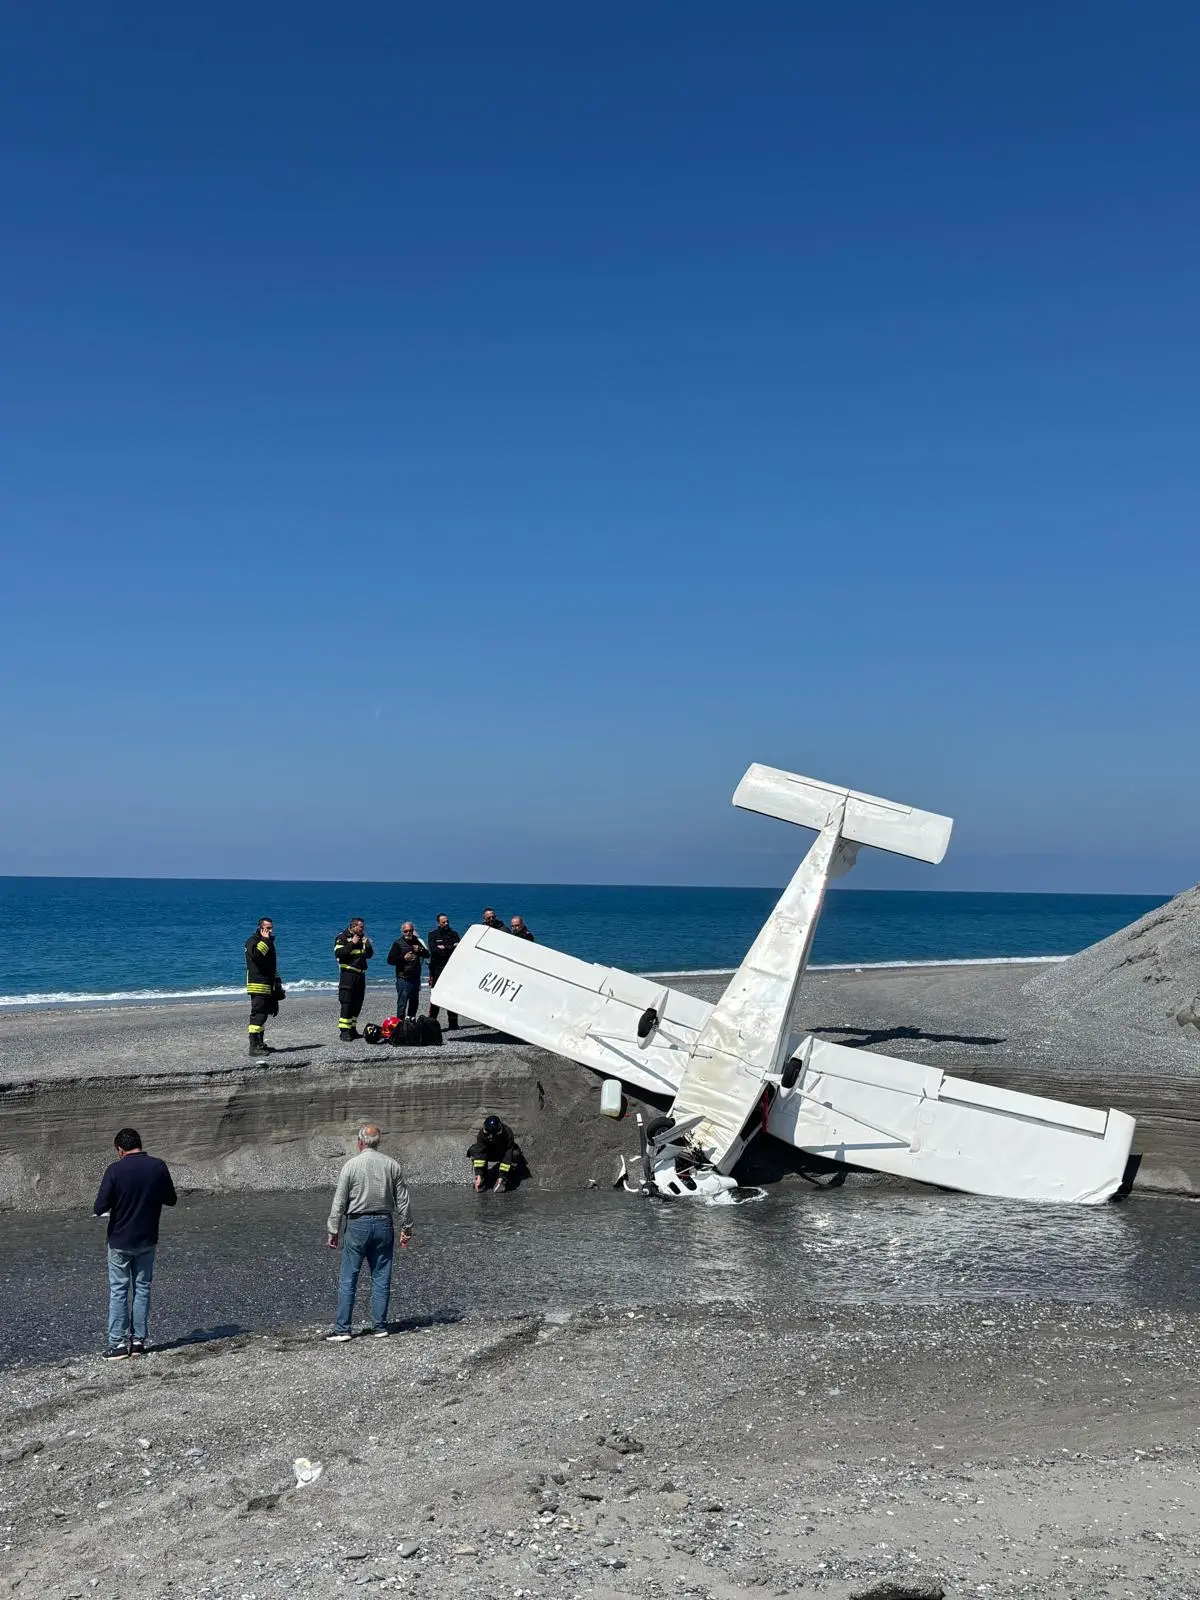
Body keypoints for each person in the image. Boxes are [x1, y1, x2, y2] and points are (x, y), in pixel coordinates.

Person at [93, 1128, 177, 1360]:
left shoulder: (115, 1170)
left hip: (120, 1240)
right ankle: (138, 1341)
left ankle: (118, 1344)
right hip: (148, 1237)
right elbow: (171, 1199)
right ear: (139, 1144)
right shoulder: (158, 1166)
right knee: (142, 1289)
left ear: (120, 1150)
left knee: (119, 1290)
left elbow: (99, 1207)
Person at [325, 1123, 413, 1340]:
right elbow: (403, 1200)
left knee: (349, 1277)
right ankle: (379, 1326)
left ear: (361, 1142)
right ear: (378, 1142)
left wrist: (333, 1229)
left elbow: (340, 1201)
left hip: (357, 1224)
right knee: (381, 1277)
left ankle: (343, 1329)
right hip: (384, 1223)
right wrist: (407, 1227)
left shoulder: (351, 1166)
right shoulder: (392, 1165)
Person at [244, 917, 284, 1055]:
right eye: (267, 928)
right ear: (260, 928)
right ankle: (253, 1047)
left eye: (271, 928)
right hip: (258, 984)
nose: (270, 930)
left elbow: (271, 966)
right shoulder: (253, 941)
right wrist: (265, 940)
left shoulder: (268, 942)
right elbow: (258, 957)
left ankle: (260, 1044)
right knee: (258, 1015)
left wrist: (278, 983)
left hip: (267, 984)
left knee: (264, 1015)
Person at [333, 918, 373, 1041]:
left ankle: (352, 1028)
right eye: (361, 927)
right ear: (354, 926)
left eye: (363, 927)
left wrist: (368, 945)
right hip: (348, 974)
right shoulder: (342, 937)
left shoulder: (362, 938)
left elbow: (369, 955)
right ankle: (344, 1031)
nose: (363, 929)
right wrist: (352, 943)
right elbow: (339, 954)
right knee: (347, 1002)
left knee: (357, 1003)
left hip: (361, 975)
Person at [468, 1114, 523, 1192]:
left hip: (503, 1153)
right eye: (488, 1134)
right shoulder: (482, 1133)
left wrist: (502, 1177)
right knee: (473, 1150)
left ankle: (507, 1177)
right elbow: (479, 1152)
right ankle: (483, 1178)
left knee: (515, 1154)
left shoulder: (507, 1132)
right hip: (490, 1154)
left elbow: (508, 1154)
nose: (490, 1137)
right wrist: (479, 1174)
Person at [387, 922, 428, 1020]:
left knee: (414, 1002)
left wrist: (420, 950)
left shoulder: (417, 941)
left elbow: (427, 955)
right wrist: (403, 958)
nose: (408, 933)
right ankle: (400, 1024)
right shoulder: (397, 943)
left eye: (410, 931)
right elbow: (390, 960)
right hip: (403, 978)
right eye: (406, 931)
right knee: (402, 1002)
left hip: (415, 977)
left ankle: (411, 1022)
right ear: (402, 932)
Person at [427, 913, 461, 1030]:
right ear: (438, 923)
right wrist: (451, 947)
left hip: (451, 969)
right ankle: (432, 1021)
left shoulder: (454, 934)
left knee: (452, 996)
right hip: (436, 970)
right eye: (443, 922)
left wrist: (445, 947)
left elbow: (459, 950)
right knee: (436, 995)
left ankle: (453, 1023)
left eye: (447, 921)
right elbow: (434, 951)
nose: (446, 924)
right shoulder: (432, 935)